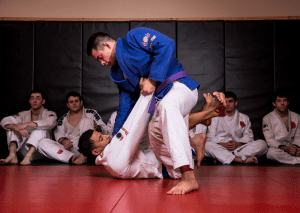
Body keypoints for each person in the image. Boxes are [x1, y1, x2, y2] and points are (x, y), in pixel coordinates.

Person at [87, 27, 226, 194]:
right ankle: (192, 145)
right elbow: (125, 108)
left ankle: (189, 177)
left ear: (107, 45)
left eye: (100, 57)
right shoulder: (117, 74)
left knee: (167, 107)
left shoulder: (133, 38)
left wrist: (152, 80)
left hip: (179, 87)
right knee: (154, 130)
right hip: (158, 104)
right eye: (99, 61)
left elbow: (167, 44)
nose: (102, 63)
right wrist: (117, 142)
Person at [78, 91, 225, 191]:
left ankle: (200, 124)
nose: (106, 136)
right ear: (95, 151)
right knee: (157, 124)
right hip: (170, 168)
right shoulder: (114, 161)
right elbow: (134, 129)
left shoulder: (111, 151)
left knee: (160, 115)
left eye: (101, 134)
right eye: (100, 139)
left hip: (161, 154)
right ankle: (210, 114)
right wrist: (147, 94)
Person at [38, 91, 109, 164]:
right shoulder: (63, 118)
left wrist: (98, 128)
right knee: (42, 143)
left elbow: (106, 130)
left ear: (81, 102)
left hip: (89, 148)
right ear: (67, 105)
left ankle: (83, 156)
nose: (74, 104)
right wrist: (63, 141)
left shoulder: (91, 113)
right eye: (71, 102)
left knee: (87, 121)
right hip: (71, 147)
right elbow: (58, 133)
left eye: (76, 101)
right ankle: (72, 158)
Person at [205, 91, 268, 164]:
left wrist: (237, 144)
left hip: (238, 149)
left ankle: (224, 158)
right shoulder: (215, 117)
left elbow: (249, 137)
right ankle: (239, 159)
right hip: (220, 147)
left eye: (230, 101)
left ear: (236, 103)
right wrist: (223, 144)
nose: (228, 104)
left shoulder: (244, 118)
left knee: (262, 144)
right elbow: (210, 137)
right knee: (206, 145)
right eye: (225, 102)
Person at [0, 89, 57, 165]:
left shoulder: (49, 113)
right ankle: (12, 155)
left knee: (39, 129)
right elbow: (4, 120)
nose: (34, 100)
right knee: (11, 128)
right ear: (29, 101)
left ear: (43, 101)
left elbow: (51, 122)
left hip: (41, 151)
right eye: (32, 98)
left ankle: (28, 157)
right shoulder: (23, 114)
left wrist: (27, 124)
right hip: (24, 150)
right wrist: (16, 127)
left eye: (38, 98)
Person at [263, 91, 300, 164]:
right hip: (279, 148)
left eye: (285, 100)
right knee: (271, 153)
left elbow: (298, 135)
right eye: (279, 101)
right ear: (274, 103)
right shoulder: (267, 118)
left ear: (288, 102)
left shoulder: (297, 117)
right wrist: (286, 149)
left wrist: (296, 147)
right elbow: (269, 139)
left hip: (294, 146)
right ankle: (297, 160)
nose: (282, 103)